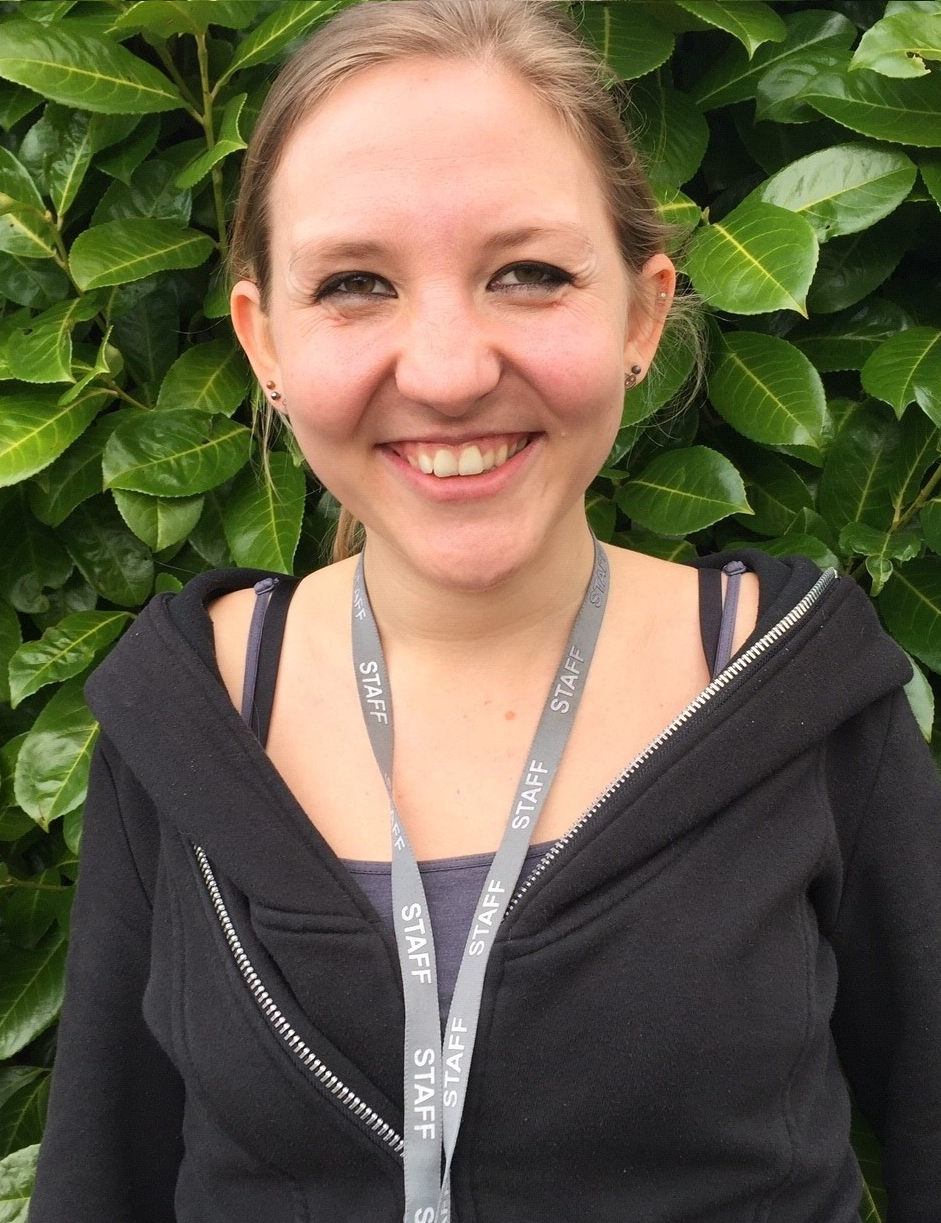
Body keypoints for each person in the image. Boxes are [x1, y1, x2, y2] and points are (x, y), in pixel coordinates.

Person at [29, 2, 941, 1221]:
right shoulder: (184, 716)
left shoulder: (798, 694)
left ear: (641, 312)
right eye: (354, 284)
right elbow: (102, 1176)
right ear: (264, 342)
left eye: (529, 274)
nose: (450, 371)